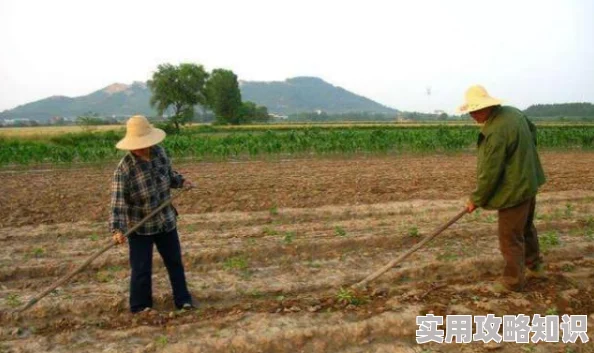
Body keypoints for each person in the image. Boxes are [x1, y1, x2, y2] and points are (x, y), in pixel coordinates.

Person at [458, 85, 546, 292]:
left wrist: (476, 199)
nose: (472, 115)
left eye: (475, 111)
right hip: (529, 181)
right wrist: (522, 159)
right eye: (470, 111)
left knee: (510, 236)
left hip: (514, 191)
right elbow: (533, 134)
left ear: (487, 107)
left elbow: (490, 172)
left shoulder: (495, 131)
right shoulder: (514, 113)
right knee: (526, 227)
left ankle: (513, 281)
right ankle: (535, 266)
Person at [110, 115, 195, 313]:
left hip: (165, 220)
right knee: (141, 269)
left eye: (144, 143)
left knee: (174, 262)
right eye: (137, 144)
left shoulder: (159, 153)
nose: (140, 148)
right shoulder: (124, 170)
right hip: (140, 226)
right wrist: (117, 229)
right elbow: (118, 202)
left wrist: (181, 182)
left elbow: (169, 174)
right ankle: (141, 307)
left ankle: (183, 300)